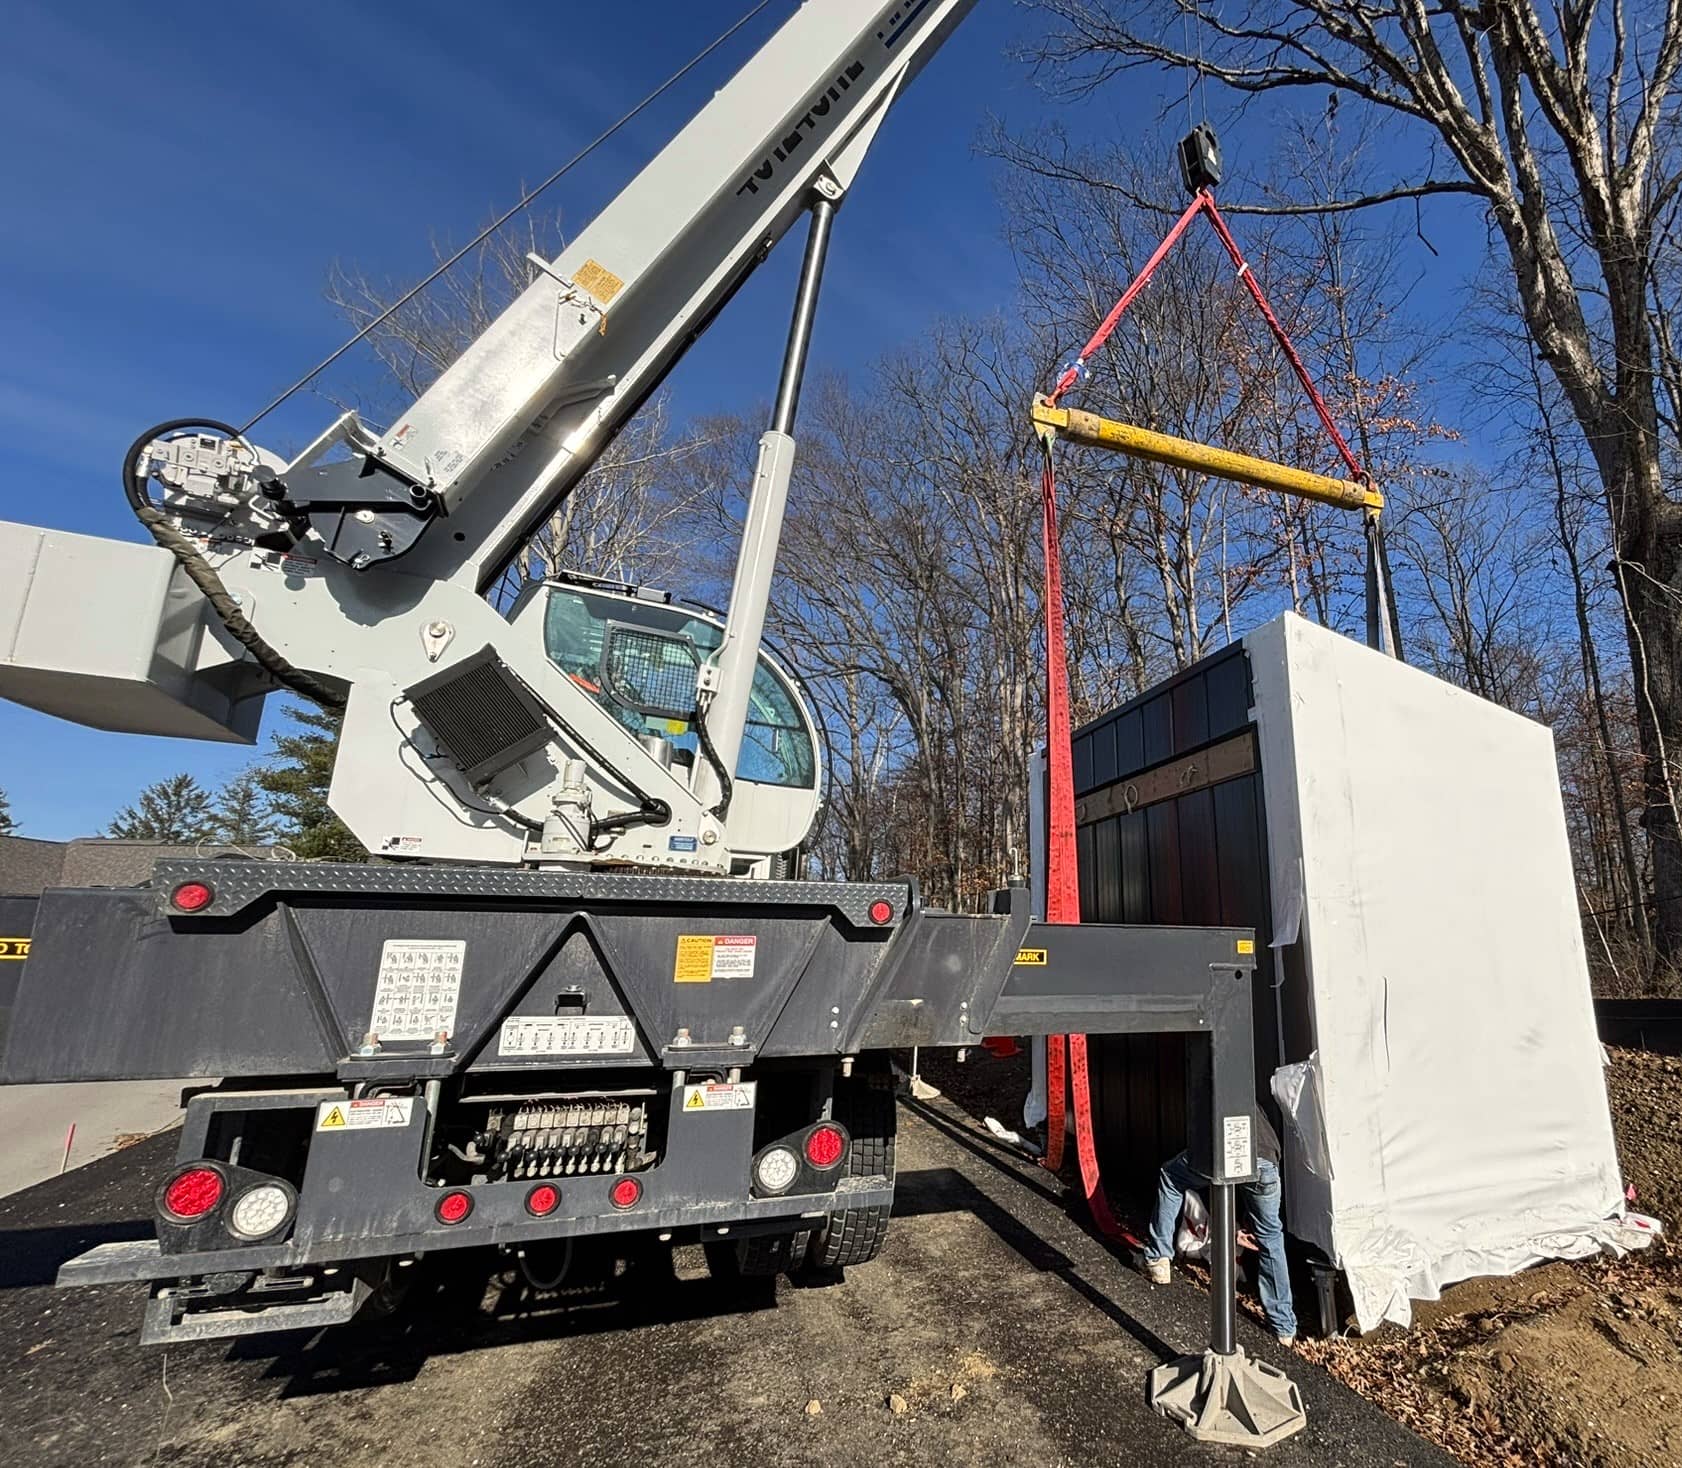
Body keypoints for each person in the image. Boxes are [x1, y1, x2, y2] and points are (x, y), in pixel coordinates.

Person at [1141, 1108, 1298, 1345]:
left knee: (1171, 1177)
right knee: (1270, 1235)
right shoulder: (1250, 1100)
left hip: (1228, 1149)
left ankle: (1158, 1259)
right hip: (1267, 1161)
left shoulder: (1212, 1088)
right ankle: (1284, 1327)